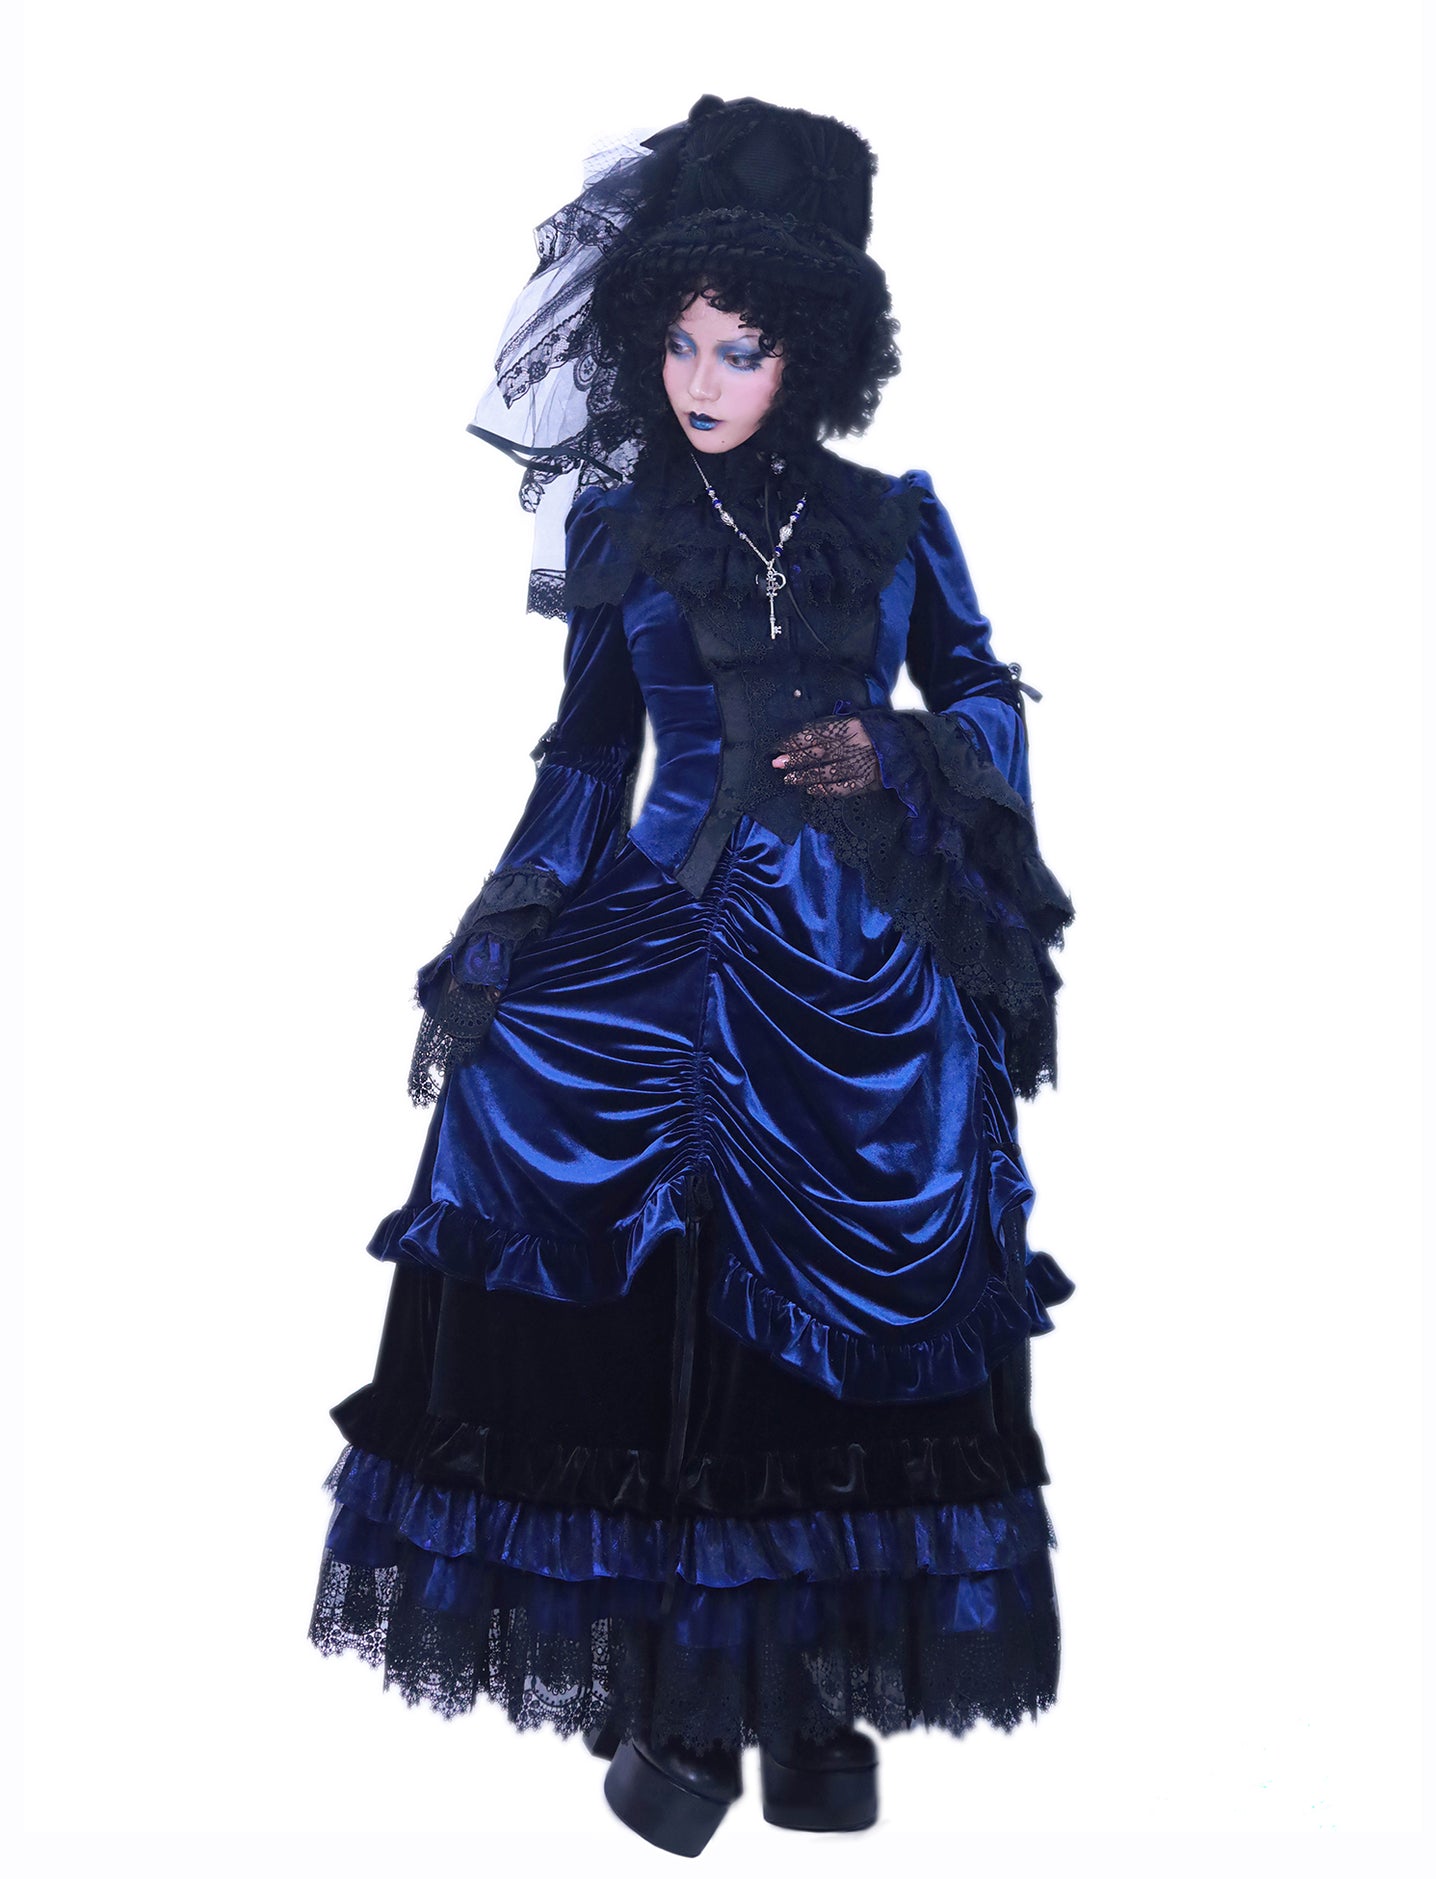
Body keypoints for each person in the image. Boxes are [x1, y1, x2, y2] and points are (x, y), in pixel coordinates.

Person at [307, 94, 1077, 1857]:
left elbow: (980, 694)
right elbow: (589, 756)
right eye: (676, 341)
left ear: (813, 353)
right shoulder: (623, 526)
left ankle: (813, 1716)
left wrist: (901, 749)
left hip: (866, 976)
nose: (698, 378)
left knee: (842, 1343)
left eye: (739, 346)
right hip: (661, 958)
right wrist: (504, 929)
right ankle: (678, 1711)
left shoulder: (898, 522)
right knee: (638, 1297)